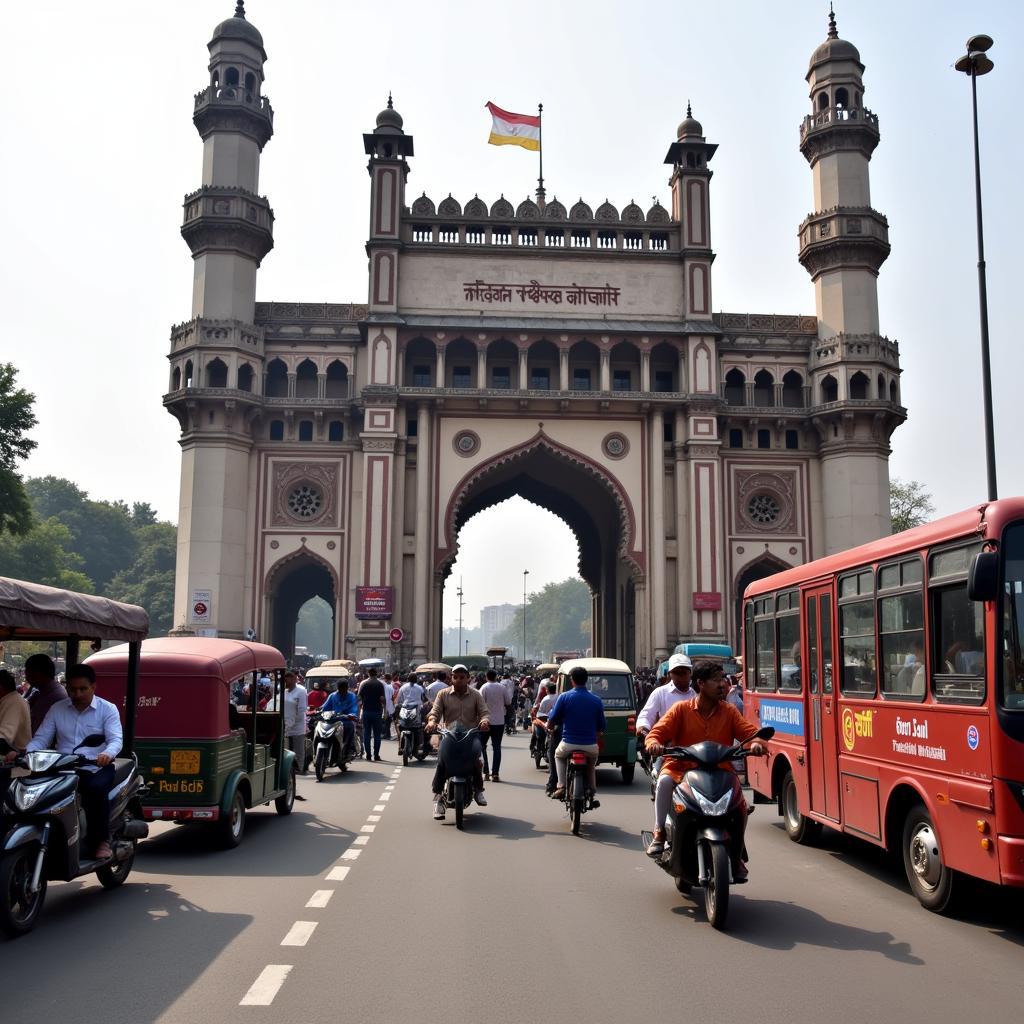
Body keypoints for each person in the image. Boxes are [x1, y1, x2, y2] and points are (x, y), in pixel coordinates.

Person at [644, 663, 767, 875]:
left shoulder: (729, 711)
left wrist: (757, 744)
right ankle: (659, 832)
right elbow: (656, 732)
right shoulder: (681, 710)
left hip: (720, 770)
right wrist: (653, 743)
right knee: (664, 782)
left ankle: (736, 856)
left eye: (723, 679)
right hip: (681, 768)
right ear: (700, 683)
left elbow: (750, 733)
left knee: (740, 805)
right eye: (717, 680)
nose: (723, 685)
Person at [23, 664, 122, 860]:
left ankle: (102, 840)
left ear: (93, 687)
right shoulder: (57, 709)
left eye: (83, 689)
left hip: (95, 766)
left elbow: (115, 740)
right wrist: (27, 753)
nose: (77, 694)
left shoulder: (108, 709)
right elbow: (42, 738)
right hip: (62, 766)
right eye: (73, 689)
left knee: (95, 790)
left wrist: (107, 754)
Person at [425, 664, 490, 819]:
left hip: (470, 735)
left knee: (477, 761)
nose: (459, 680)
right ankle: (439, 798)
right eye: (456, 677)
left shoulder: (476, 695)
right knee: (441, 763)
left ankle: (479, 790)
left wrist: (485, 721)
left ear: (468, 678)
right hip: (449, 735)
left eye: (462, 677)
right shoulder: (443, 694)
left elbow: (484, 712)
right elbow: (435, 712)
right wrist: (432, 721)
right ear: (451, 678)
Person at [547, 666, 605, 803]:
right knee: (591, 763)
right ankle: (592, 788)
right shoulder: (596, 700)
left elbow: (553, 717)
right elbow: (602, 726)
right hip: (590, 745)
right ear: (586, 680)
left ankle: (561, 786)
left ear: (572, 680)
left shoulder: (564, 697)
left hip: (568, 744)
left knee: (558, 755)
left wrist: (549, 726)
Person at [636, 653, 695, 741]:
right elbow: (646, 716)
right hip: (666, 747)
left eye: (684, 672)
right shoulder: (660, 693)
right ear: (670, 674)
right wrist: (644, 729)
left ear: (690, 673)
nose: (681, 676)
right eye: (677, 672)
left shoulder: (696, 695)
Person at [479, 669, 512, 782]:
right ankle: (495, 773)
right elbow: (508, 703)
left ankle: (486, 771)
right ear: (496, 676)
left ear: (486, 676)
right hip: (499, 721)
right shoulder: (502, 688)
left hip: (485, 721)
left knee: (482, 746)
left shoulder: (484, 688)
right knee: (497, 747)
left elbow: (479, 704)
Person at [25, 653, 67, 734]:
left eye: (28, 671)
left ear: (39, 672)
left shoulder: (55, 697)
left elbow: (37, 730)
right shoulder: (39, 691)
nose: (26, 675)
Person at [319, 679, 358, 756]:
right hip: (333, 720)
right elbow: (325, 707)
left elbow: (354, 708)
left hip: (346, 720)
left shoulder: (352, 696)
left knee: (350, 727)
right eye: (340, 689)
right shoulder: (332, 696)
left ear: (347, 688)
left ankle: (349, 748)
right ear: (338, 688)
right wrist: (318, 710)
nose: (342, 691)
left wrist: (352, 715)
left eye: (344, 689)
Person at [282, 670, 308, 773]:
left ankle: (300, 768)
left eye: (288, 679)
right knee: (287, 749)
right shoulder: (284, 691)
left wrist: (292, 719)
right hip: (286, 725)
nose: (286, 681)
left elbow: (302, 709)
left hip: (297, 724)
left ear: (293, 679)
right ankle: (289, 768)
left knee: (298, 750)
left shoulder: (301, 691)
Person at [358, 667, 387, 761]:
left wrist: (359, 713)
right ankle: (376, 755)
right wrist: (385, 711)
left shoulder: (364, 684)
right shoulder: (380, 684)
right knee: (377, 735)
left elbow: (359, 699)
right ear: (376, 674)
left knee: (366, 734)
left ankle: (368, 755)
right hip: (377, 712)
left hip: (366, 711)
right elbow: (382, 699)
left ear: (368, 673)